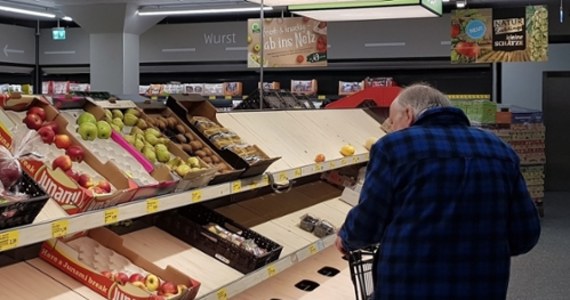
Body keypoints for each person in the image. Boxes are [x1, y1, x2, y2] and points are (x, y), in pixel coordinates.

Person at [336, 83, 541, 299]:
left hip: (408, 287)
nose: (392, 129)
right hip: (482, 287)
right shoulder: (500, 150)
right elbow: (525, 234)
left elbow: (369, 220)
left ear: (408, 114)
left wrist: (347, 237)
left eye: (393, 122)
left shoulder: (394, 147)